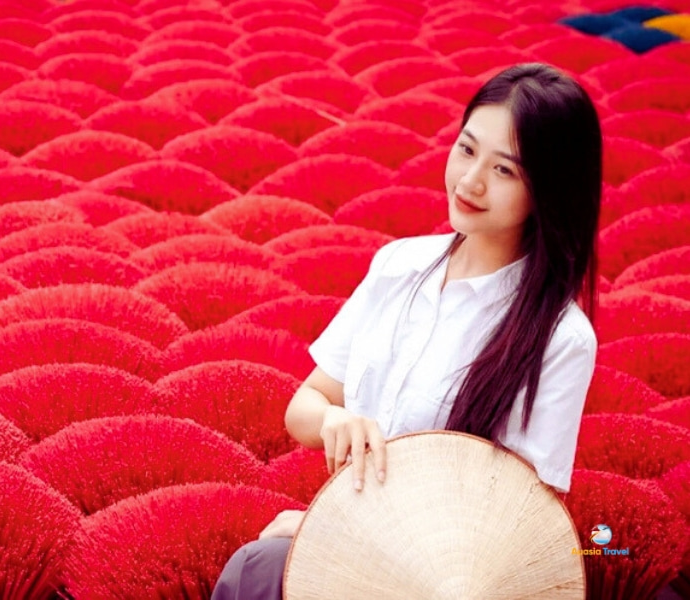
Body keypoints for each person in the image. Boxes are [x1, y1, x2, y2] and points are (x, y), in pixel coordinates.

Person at [211, 62, 602, 600]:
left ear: (549, 190)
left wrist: (333, 538)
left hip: (448, 581)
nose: (470, 181)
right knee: (252, 570)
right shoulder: (398, 266)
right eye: (466, 149)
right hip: (350, 542)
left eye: (505, 170)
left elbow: (520, 525)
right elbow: (305, 403)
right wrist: (333, 419)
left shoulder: (560, 339)